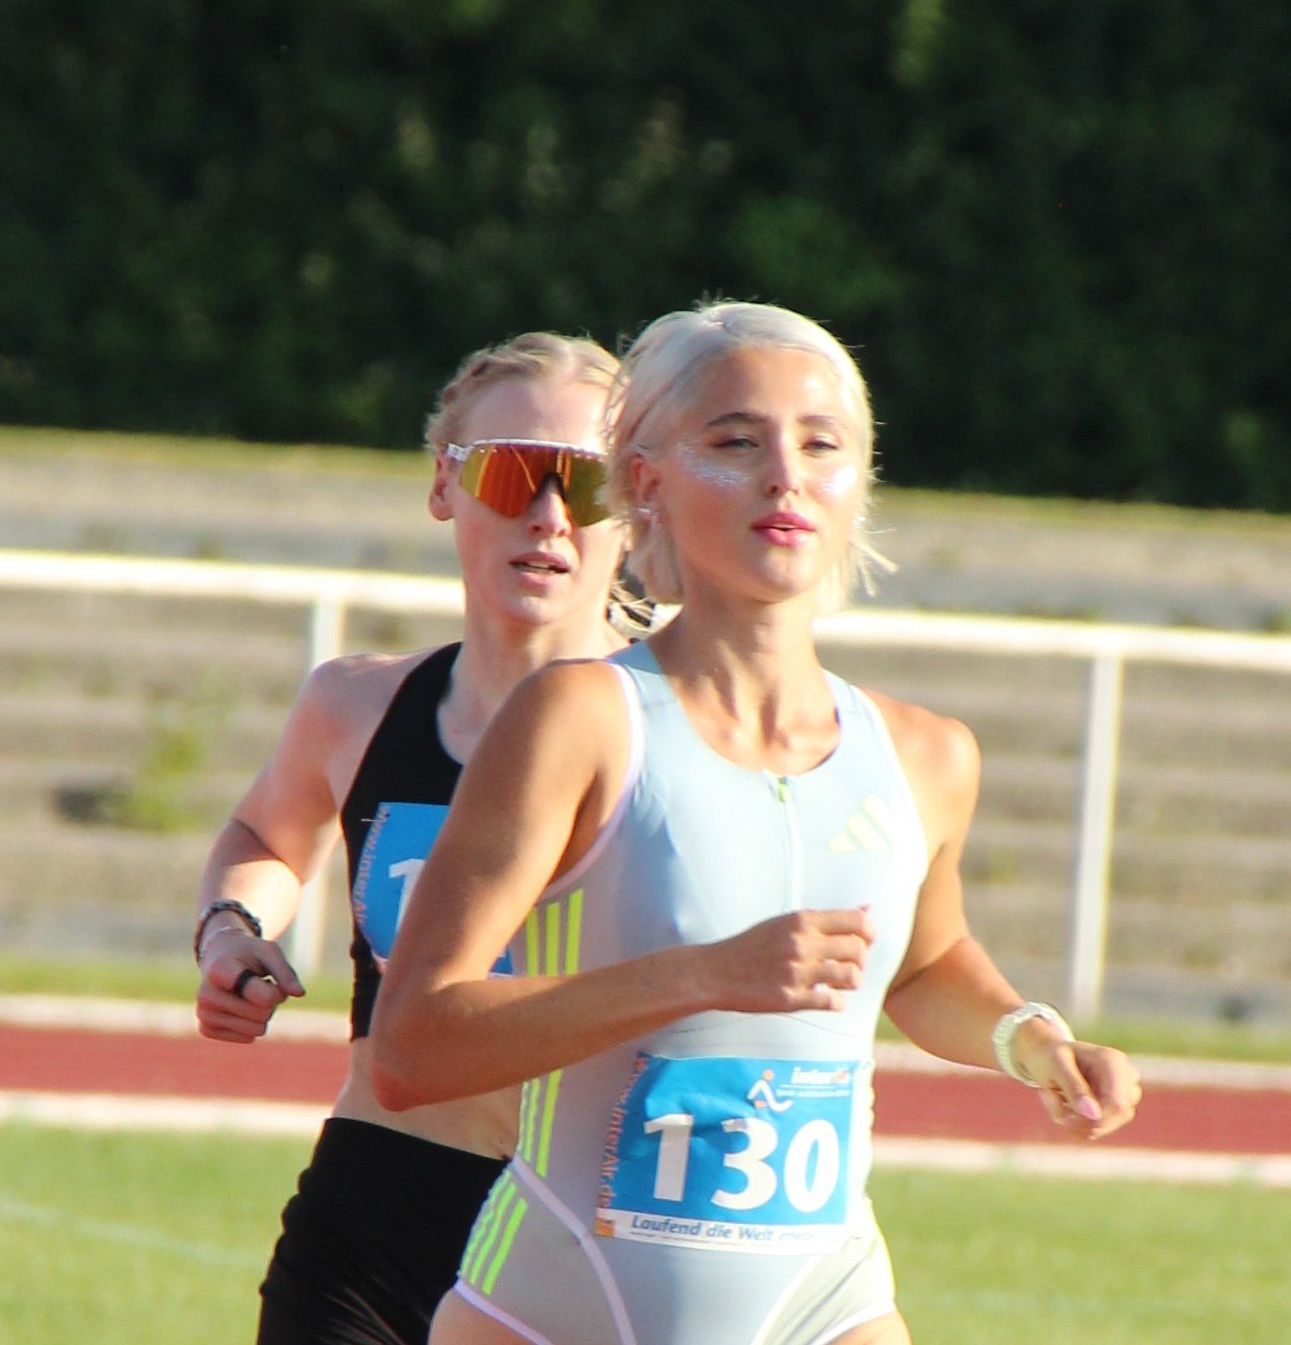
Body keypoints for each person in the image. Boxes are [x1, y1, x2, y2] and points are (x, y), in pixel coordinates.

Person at [371, 301, 1143, 1345]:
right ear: (645, 481)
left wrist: (1030, 1037)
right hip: (561, 1301)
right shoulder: (578, 719)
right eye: (736, 442)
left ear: (859, 480)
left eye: (821, 444)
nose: (786, 475)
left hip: (826, 1301)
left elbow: (923, 966)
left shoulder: (927, 755)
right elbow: (413, 1046)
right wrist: (703, 975)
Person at [191, 330, 630, 1345]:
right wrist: (231, 928)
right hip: (372, 1217)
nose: (549, 514)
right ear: (444, 484)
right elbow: (267, 831)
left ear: (638, 506)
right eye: (511, 471)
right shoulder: (356, 704)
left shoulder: (681, 729)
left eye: (588, 483)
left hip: (587, 1228)